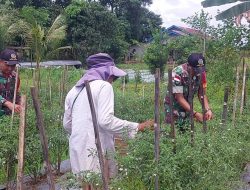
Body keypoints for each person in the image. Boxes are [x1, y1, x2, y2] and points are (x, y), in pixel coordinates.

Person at [63, 53, 153, 179]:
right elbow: (105, 121)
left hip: (77, 146)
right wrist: (137, 127)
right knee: (99, 182)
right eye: (113, 77)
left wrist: (84, 132)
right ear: (106, 73)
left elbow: (67, 125)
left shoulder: (74, 91)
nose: (112, 80)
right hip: (95, 147)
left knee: (85, 183)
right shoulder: (104, 86)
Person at [164, 53, 213, 130]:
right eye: (196, 70)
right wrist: (195, 114)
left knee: (186, 130)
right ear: (189, 66)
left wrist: (208, 109)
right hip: (173, 106)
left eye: (201, 69)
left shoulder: (202, 74)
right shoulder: (177, 74)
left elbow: (202, 94)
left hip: (188, 106)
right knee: (173, 131)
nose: (199, 72)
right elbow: (179, 98)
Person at [0, 49, 21, 116]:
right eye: (7, 65)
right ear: (0, 62)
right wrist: (7, 103)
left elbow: (16, 92)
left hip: (9, 116)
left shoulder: (15, 77)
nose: (10, 68)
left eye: (13, 65)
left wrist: (20, 104)